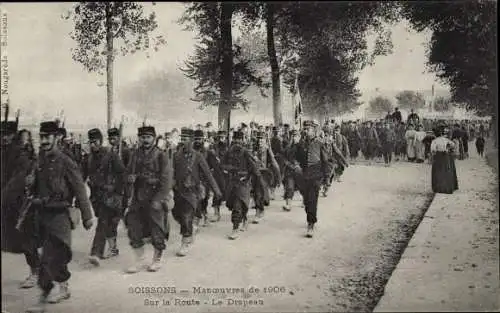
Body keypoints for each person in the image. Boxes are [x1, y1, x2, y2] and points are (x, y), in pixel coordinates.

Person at [25, 121, 94, 313]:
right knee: (52, 256)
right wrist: (30, 184)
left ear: (57, 138)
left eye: (48, 137)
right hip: (42, 215)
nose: (44, 141)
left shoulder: (66, 161)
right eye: (42, 137)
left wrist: (87, 216)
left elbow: (79, 189)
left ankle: (43, 299)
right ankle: (63, 288)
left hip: (59, 216)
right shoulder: (40, 160)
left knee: (51, 256)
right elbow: (34, 186)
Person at [124, 125, 172, 273]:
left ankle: (157, 259)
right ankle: (140, 260)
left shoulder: (161, 155)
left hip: (155, 196)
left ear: (154, 138)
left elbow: (166, 179)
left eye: (148, 137)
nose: (145, 140)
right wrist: (130, 178)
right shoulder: (135, 154)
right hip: (138, 196)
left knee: (157, 229)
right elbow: (128, 173)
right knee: (133, 226)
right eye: (143, 137)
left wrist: (159, 199)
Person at [1, 122, 42, 290]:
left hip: (21, 205)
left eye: (6, 134)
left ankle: (36, 272)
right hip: (6, 203)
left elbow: (16, 182)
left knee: (27, 241)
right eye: (1, 134)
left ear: (13, 135)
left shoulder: (21, 155)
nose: (3, 137)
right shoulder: (3, 153)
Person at [172, 128, 221, 256]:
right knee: (177, 215)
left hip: (192, 192)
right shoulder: (176, 155)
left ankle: (185, 242)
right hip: (179, 191)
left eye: (186, 139)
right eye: (182, 138)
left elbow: (208, 174)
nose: (183, 141)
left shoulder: (198, 156)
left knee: (187, 216)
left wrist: (216, 190)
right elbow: (171, 173)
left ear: (192, 140)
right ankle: (192, 228)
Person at [82, 128, 127, 266]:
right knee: (109, 223)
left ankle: (96, 252)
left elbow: (122, 174)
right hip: (96, 197)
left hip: (110, 195)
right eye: (90, 142)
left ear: (101, 141)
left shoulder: (111, 155)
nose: (92, 145)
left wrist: (117, 191)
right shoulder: (88, 158)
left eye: (95, 142)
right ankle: (113, 249)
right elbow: (80, 177)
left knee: (103, 222)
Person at [293, 120, 337, 238]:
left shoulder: (319, 143)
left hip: (316, 175)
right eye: (305, 129)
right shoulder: (300, 144)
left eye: (308, 129)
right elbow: (295, 157)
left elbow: (326, 161)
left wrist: (326, 178)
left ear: (314, 130)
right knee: (307, 200)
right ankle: (310, 217)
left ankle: (310, 224)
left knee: (312, 200)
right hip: (303, 176)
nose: (306, 131)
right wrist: (296, 164)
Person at [222, 130, 263, 239]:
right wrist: (229, 169)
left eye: (239, 140)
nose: (237, 142)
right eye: (235, 140)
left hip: (243, 183)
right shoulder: (228, 152)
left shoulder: (245, 152)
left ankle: (235, 228)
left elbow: (254, 166)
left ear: (242, 141)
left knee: (237, 205)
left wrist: (252, 176)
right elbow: (222, 165)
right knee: (234, 204)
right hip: (232, 182)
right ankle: (244, 218)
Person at [430, 125, 459, 194]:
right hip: (446, 156)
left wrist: (433, 154)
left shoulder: (435, 141)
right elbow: (453, 145)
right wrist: (448, 149)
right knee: (446, 171)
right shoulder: (446, 140)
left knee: (438, 172)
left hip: (438, 157)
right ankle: (447, 187)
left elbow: (433, 150)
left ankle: (439, 188)